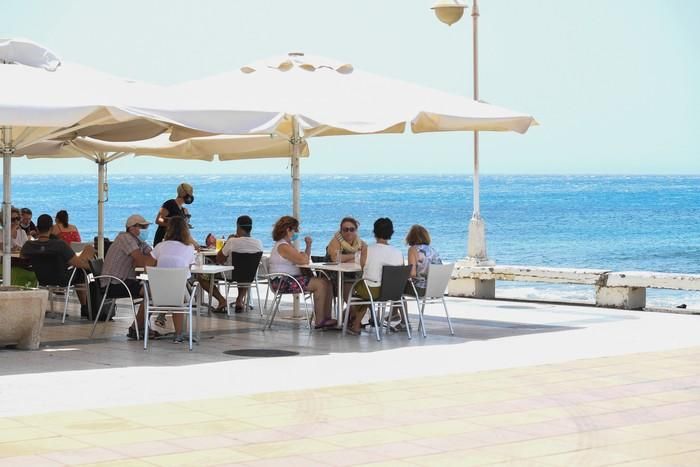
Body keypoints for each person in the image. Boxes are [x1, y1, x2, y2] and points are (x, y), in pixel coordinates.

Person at [20, 214, 95, 318]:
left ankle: (85, 307)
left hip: (42, 279)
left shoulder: (29, 245)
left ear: (37, 228)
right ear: (51, 228)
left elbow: (22, 256)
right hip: (62, 279)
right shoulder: (59, 245)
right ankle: (84, 307)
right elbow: (77, 263)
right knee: (83, 270)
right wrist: (91, 266)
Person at [268, 215, 335, 328]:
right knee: (320, 284)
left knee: (326, 282)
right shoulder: (283, 246)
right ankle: (320, 320)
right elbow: (303, 260)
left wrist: (308, 246)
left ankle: (326, 317)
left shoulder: (288, 245)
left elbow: (303, 259)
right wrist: (303, 255)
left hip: (288, 279)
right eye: (295, 230)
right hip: (282, 281)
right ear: (288, 229)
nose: (296, 233)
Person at [101, 214, 157, 340]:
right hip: (115, 283)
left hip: (125, 281)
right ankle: (137, 328)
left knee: (154, 290)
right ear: (132, 228)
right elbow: (142, 260)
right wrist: (153, 260)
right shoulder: (125, 238)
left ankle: (139, 327)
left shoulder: (139, 242)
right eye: (142, 227)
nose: (145, 230)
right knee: (154, 292)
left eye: (146, 227)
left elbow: (152, 254)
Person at [346, 217, 403, 335]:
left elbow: (361, 266)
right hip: (392, 292)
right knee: (368, 288)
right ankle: (355, 322)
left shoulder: (368, 249)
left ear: (374, 232)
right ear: (391, 233)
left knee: (358, 289)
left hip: (372, 291)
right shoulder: (398, 252)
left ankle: (354, 323)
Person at [151, 216, 196, 343]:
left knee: (152, 294)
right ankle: (179, 333)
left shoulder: (160, 246)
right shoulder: (189, 248)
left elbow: (148, 266)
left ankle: (140, 327)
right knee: (180, 291)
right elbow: (189, 269)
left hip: (157, 293)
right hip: (178, 293)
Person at [215, 215, 263, 313]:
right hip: (250, 276)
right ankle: (239, 300)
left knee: (203, 276)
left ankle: (221, 300)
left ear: (238, 227)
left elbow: (219, 259)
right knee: (245, 271)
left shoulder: (232, 241)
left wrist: (227, 242)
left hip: (230, 275)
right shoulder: (259, 243)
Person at [325, 216, 366, 302]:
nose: (349, 232)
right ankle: (350, 313)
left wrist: (347, 258)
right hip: (336, 278)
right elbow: (336, 258)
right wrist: (355, 256)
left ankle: (353, 314)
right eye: (345, 229)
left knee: (367, 288)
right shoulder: (336, 241)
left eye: (351, 229)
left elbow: (366, 259)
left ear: (356, 230)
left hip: (356, 277)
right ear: (341, 231)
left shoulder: (360, 243)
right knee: (348, 286)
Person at [405, 224, 442, 297]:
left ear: (410, 237)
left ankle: (400, 308)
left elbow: (412, 274)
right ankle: (402, 308)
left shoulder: (413, 249)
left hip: (419, 290)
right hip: (435, 289)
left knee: (396, 288)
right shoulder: (433, 250)